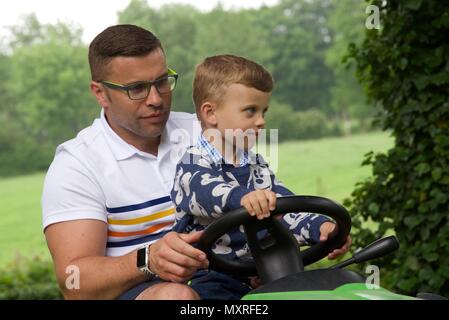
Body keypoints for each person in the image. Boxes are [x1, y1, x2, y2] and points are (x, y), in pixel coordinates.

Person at [42, 24, 210, 300]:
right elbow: (72, 282)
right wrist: (148, 259)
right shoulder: (76, 166)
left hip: (221, 279)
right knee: (176, 298)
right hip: (143, 293)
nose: (156, 99)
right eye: (137, 89)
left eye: (161, 82)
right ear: (99, 93)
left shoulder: (204, 133)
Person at [170, 54, 352, 297]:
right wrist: (244, 198)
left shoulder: (256, 165)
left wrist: (323, 227)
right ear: (210, 113)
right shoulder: (192, 165)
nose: (261, 122)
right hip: (211, 275)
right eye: (250, 111)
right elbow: (208, 194)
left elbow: (285, 210)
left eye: (264, 111)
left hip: (262, 271)